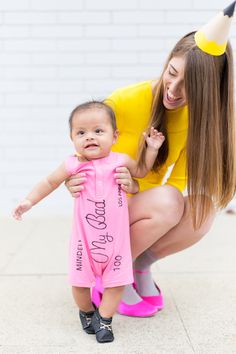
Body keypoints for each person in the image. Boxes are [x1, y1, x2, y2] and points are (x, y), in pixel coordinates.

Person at [65, 2, 236, 318]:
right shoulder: (125, 101)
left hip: (140, 210)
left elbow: (178, 183)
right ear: (167, 62)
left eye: (189, 86)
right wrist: (72, 180)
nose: (173, 90)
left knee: (202, 211)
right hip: (105, 208)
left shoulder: (197, 122)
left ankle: (138, 263)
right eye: (172, 73)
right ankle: (115, 272)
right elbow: (83, 149)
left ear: (210, 90)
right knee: (169, 201)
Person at [13, 101, 164, 343]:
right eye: (81, 132)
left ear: (114, 136)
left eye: (98, 131)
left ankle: (104, 319)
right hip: (84, 245)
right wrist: (29, 201)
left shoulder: (120, 160)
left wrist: (152, 148)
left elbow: (143, 170)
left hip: (115, 244)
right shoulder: (73, 164)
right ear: (71, 138)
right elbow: (49, 182)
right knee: (79, 284)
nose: (89, 137)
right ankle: (86, 312)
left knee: (116, 284)